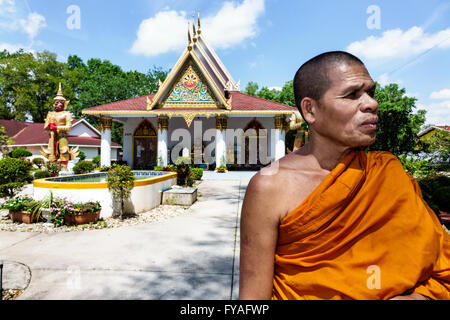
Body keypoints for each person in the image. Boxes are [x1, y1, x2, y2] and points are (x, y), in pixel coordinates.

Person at [239, 51, 450, 300]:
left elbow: (439, 265)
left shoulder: (386, 171)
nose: (372, 103)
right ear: (310, 110)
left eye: (371, 92)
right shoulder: (270, 186)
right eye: (352, 95)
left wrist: (418, 298)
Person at [41, 83, 78, 171]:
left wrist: (57, 127)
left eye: (59, 102)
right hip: (52, 135)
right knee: (52, 152)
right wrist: (49, 126)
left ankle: (64, 167)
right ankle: (52, 168)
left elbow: (69, 126)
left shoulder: (66, 114)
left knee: (64, 150)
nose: (57, 104)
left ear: (64, 104)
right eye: (55, 102)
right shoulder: (50, 113)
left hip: (62, 135)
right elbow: (45, 127)